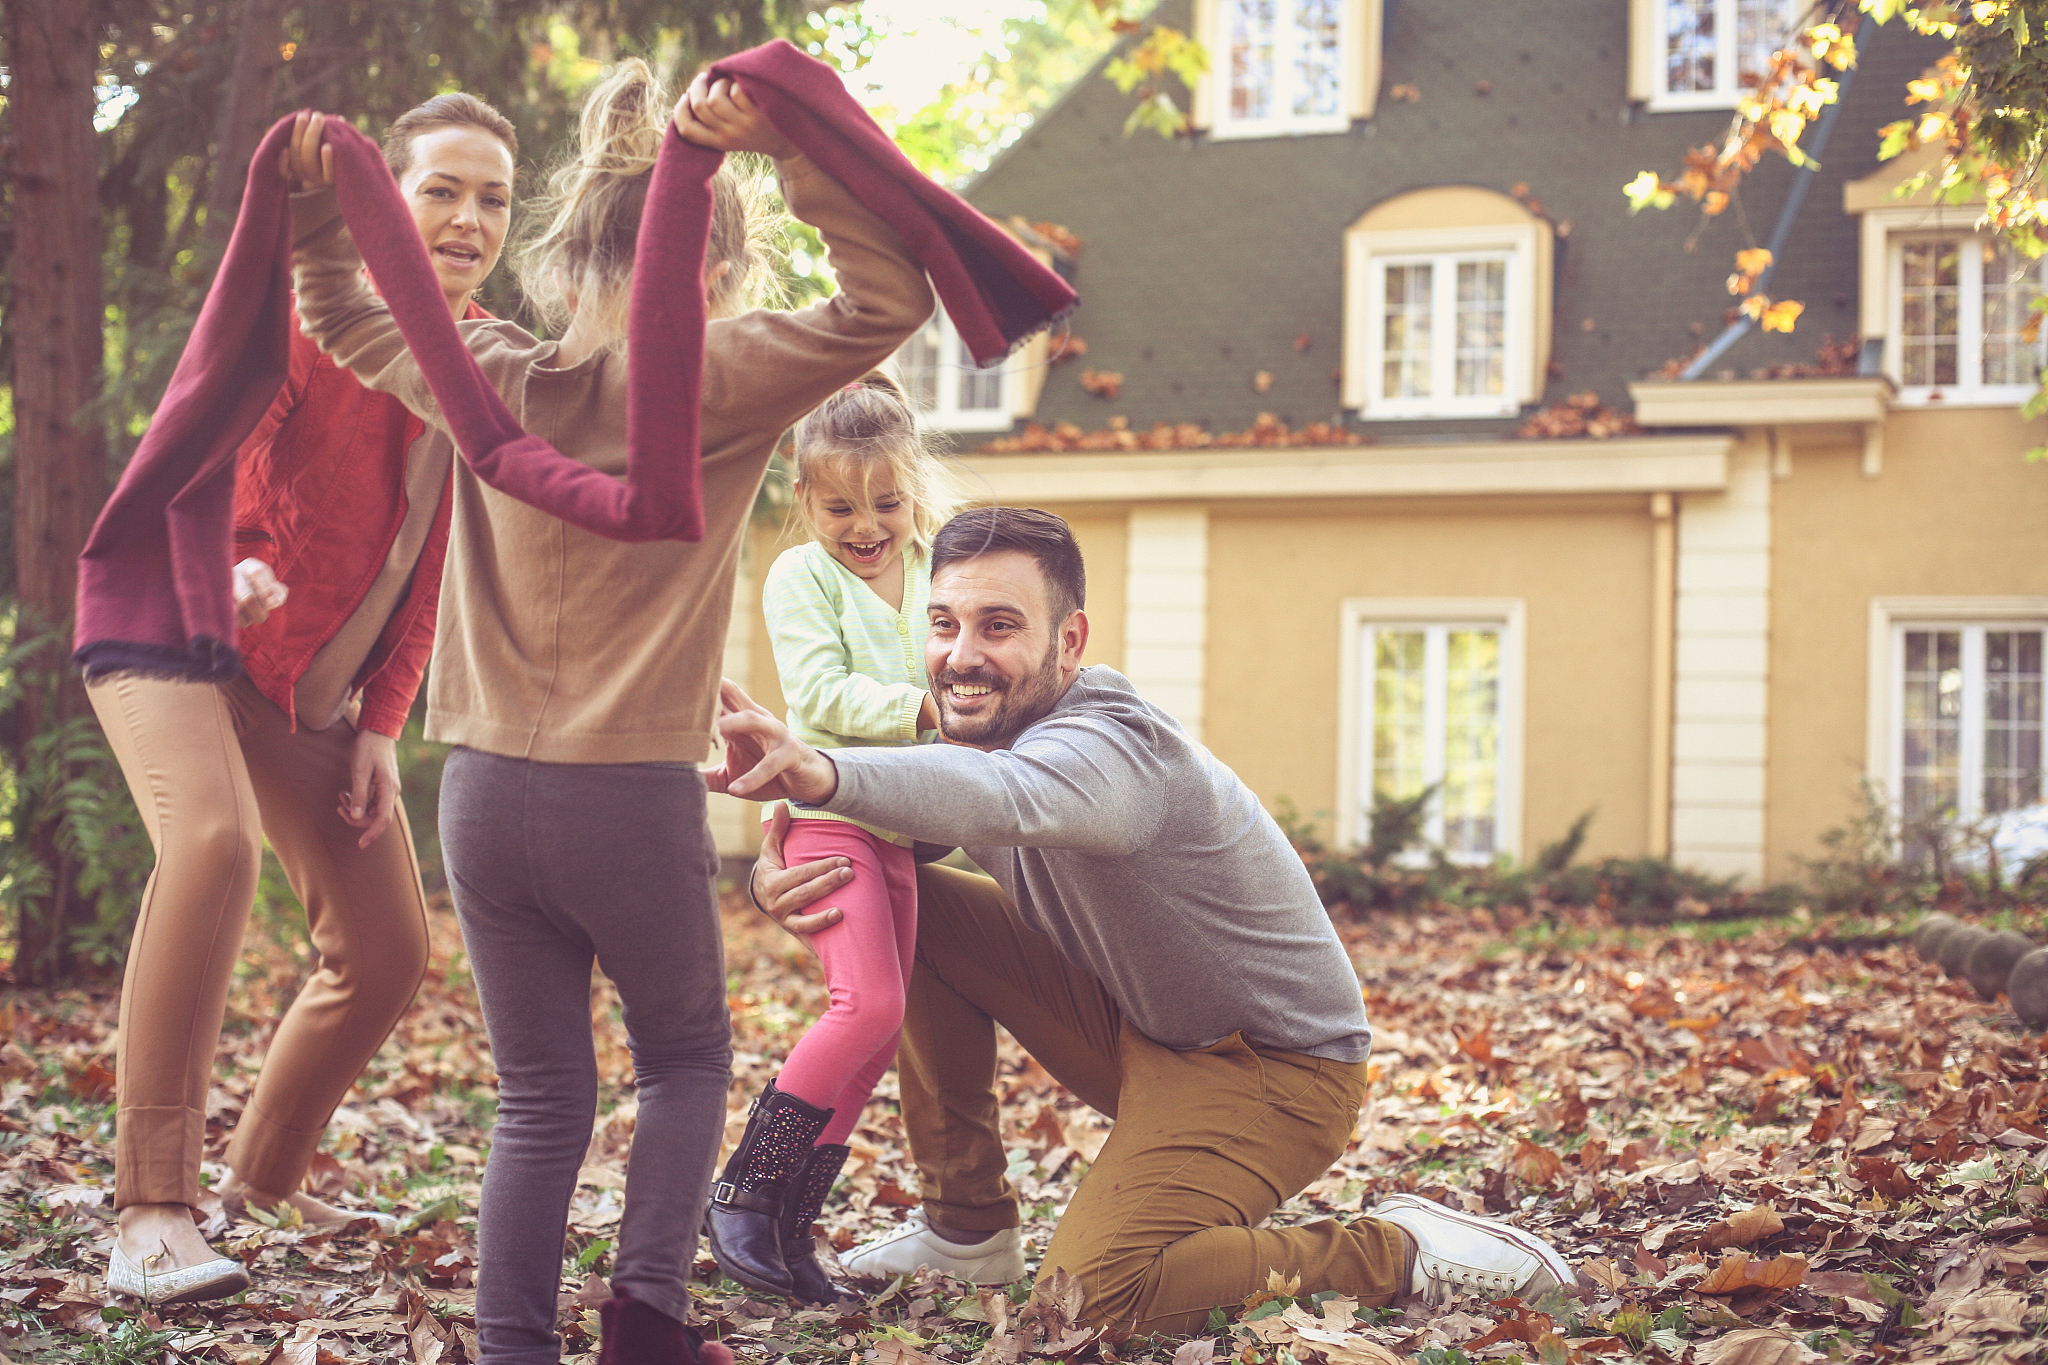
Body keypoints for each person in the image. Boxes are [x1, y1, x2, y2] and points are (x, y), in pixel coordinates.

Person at [284, 58, 935, 1365]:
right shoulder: (729, 374)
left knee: (538, 1096)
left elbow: (337, 305)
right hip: (627, 797)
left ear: (565, 267)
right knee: (686, 1056)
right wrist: (792, 153)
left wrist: (311, 195)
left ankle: (514, 1343)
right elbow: (893, 294)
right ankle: (647, 1315)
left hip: (481, 797)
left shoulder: (487, 374)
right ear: (717, 276)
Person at [713, 507, 1578, 1336]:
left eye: (1000, 625)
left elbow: (1005, 796)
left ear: (1071, 640)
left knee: (1093, 1299)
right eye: (942, 624)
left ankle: (1400, 1250)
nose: (960, 656)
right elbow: (895, 843)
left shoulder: (1109, 748)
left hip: (1277, 1071)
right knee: (911, 906)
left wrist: (822, 769)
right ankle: (967, 1225)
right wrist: (777, 872)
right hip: (1143, 1026)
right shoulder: (976, 740)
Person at [88, 92, 519, 1307]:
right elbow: (208, 448)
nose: (466, 217)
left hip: (304, 694)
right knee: (212, 845)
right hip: (177, 630)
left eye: (492, 197)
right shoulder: (311, 312)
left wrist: (381, 723)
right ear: (381, 201)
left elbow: (428, 559)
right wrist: (226, 563)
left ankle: (261, 1183)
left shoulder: (476, 352)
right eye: (438, 187)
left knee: (385, 950)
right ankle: (152, 1209)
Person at [706, 373, 953, 1303]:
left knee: (880, 1029)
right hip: (826, 818)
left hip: (902, 825)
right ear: (802, 495)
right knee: (864, 1006)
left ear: (913, 491)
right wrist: (926, 708)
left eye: (886, 502)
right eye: (841, 504)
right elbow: (816, 698)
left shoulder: (933, 564)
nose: (866, 524)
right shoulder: (799, 574)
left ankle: (789, 1226)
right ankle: (740, 1190)